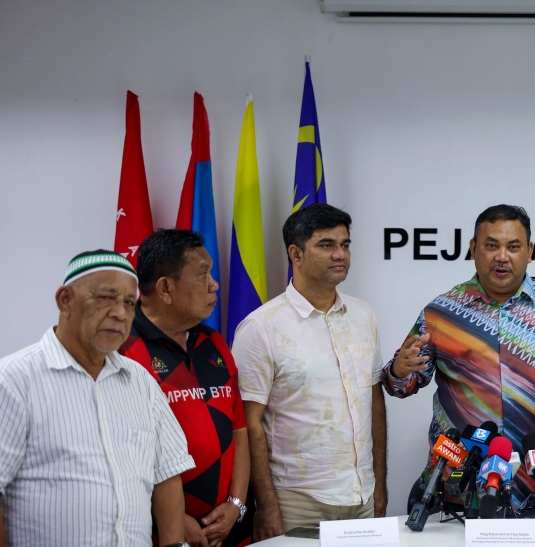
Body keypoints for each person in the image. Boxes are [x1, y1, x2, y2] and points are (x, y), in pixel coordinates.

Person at [383, 204, 535, 507]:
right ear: (473, 249)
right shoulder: (442, 312)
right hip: (462, 484)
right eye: (491, 245)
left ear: (530, 250)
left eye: (513, 247)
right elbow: (400, 385)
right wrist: (398, 370)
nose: (502, 256)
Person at [0, 250, 194, 547]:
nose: (121, 313)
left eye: (130, 303)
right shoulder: (14, 379)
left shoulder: (141, 381)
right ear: (65, 301)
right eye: (106, 298)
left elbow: (166, 475)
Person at [232, 204, 387, 541]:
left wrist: (380, 484)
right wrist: (267, 505)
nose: (340, 254)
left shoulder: (364, 316)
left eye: (345, 245)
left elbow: (374, 402)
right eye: (326, 245)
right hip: (297, 500)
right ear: (296, 254)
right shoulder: (261, 328)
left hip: (361, 496)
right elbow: (248, 423)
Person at [120, 229, 251, 547]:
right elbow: (117, 455)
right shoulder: (121, 349)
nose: (214, 284)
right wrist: (173, 520)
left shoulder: (215, 342)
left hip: (230, 530)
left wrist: (236, 505)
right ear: (165, 288)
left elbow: (239, 431)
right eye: (202, 274)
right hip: (157, 534)